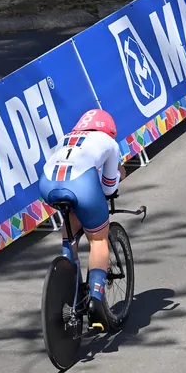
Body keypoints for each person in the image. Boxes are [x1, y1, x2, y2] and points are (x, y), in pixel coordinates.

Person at [39, 109, 127, 325]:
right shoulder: (109, 142)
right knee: (98, 238)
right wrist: (118, 175)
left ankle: (71, 284)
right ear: (109, 129)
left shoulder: (66, 138)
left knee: (71, 234)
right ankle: (96, 300)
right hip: (82, 186)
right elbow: (108, 187)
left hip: (47, 185)